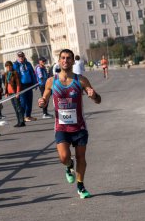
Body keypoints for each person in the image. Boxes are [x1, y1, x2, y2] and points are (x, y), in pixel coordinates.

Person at [38, 48, 101, 199]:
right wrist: (43, 101)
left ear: (73, 61)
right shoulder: (51, 81)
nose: (65, 61)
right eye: (63, 58)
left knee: (81, 157)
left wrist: (94, 95)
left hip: (79, 127)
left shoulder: (81, 80)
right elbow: (45, 97)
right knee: (64, 157)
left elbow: (98, 100)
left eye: (68, 58)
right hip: (61, 127)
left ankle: (81, 186)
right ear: (59, 61)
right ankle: (68, 166)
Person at [13, 51, 37, 122]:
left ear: (24, 56)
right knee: (23, 102)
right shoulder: (15, 65)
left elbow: (33, 73)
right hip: (21, 86)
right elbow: (14, 76)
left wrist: (35, 84)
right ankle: (22, 117)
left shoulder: (28, 63)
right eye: (19, 56)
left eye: (22, 56)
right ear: (17, 57)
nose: (21, 58)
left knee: (29, 101)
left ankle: (28, 116)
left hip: (29, 85)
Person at [4, 61, 25, 127]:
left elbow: (18, 84)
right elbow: (6, 84)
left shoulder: (15, 73)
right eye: (7, 66)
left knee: (18, 107)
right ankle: (18, 121)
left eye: (10, 66)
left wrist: (17, 92)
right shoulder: (6, 74)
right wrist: (6, 92)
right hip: (10, 93)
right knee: (15, 107)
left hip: (15, 92)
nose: (8, 67)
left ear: (12, 66)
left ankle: (22, 121)